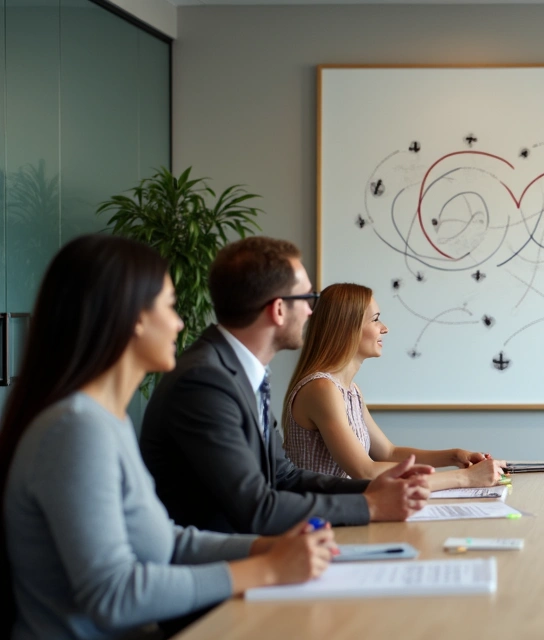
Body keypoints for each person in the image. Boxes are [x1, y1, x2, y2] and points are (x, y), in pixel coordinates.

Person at [0, 235, 335, 640]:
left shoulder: (107, 420)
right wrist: (266, 569)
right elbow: (113, 595)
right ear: (134, 318)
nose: (180, 322)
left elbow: (167, 543)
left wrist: (265, 549)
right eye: (171, 305)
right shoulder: (75, 431)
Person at [140, 237, 431, 536]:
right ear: (278, 309)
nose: (311, 311)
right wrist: (371, 506)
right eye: (306, 298)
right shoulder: (204, 381)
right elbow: (257, 508)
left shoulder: (240, 372)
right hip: (221, 562)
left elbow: (284, 477)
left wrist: (369, 489)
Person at [284, 283, 506, 488]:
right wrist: (464, 478)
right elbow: (365, 471)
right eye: (376, 319)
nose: (385, 328)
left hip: (344, 512)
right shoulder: (321, 390)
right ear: (347, 327)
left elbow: (389, 453)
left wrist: (455, 456)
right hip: (319, 520)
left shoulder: (351, 391)